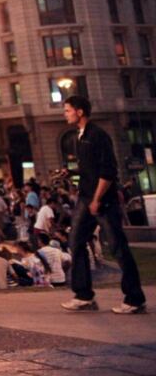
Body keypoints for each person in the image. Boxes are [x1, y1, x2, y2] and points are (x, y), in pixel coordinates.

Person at [59, 95, 146, 314]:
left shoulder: (98, 135)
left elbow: (108, 171)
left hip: (102, 201)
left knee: (117, 247)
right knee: (76, 242)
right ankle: (83, 295)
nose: (65, 114)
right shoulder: (80, 137)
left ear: (80, 112)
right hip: (85, 197)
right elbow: (90, 168)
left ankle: (134, 299)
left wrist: (97, 199)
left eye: (68, 110)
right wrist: (71, 172)